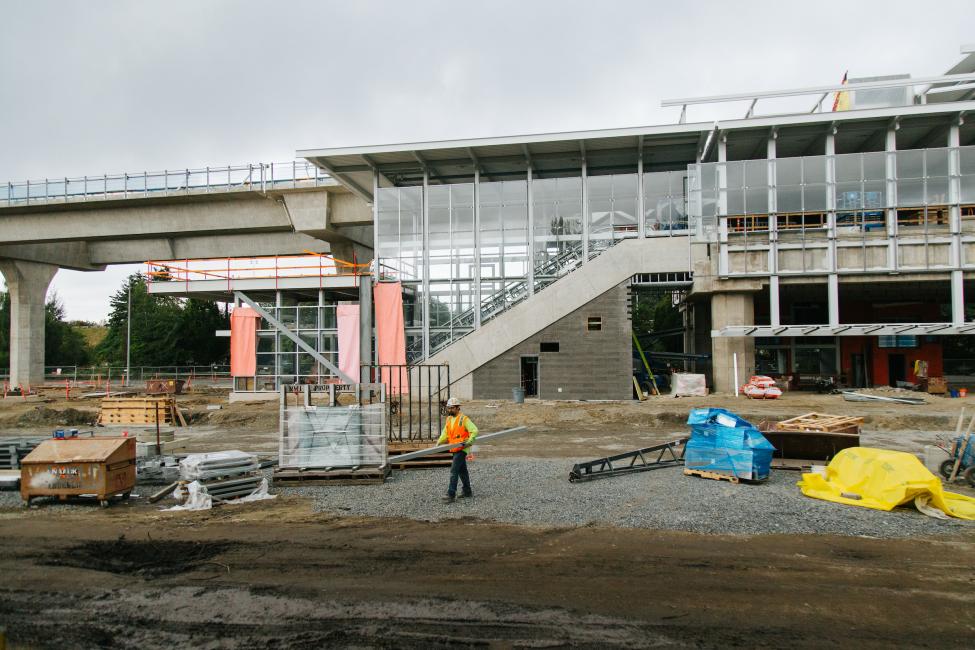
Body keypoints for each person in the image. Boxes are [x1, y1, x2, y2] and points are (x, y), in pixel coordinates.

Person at [438, 396, 478, 503]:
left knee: (453, 470)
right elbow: (445, 433)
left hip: (462, 448)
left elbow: (474, 430)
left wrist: (469, 441)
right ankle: (467, 491)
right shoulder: (449, 419)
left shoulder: (464, 419)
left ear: (457, 408)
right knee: (462, 471)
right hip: (454, 448)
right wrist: (439, 442)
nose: (449, 410)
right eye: (449, 408)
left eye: (452, 408)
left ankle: (451, 494)